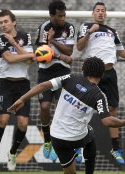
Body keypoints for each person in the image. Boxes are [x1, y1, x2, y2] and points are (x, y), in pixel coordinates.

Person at [7, 57, 125, 174]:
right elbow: (107, 121)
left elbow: (43, 86)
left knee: (70, 173)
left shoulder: (71, 78)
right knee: (90, 134)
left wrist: (22, 99)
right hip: (76, 138)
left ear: (84, 70)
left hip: (56, 136)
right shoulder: (99, 95)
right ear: (102, 75)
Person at [76, 1, 125, 165]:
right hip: (92, 73)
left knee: (112, 110)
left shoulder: (111, 31)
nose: (100, 13)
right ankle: (77, 146)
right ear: (93, 14)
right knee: (83, 108)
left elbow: (121, 51)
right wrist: (89, 33)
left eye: (103, 11)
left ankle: (116, 149)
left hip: (109, 74)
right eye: (97, 10)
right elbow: (79, 47)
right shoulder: (86, 26)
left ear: (105, 14)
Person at [0, 9, 35, 173]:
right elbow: (9, 58)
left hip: (23, 85)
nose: (3, 25)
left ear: (14, 22)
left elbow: (31, 61)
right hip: (5, 84)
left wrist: (15, 44)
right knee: (2, 120)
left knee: (23, 124)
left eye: (6, 21)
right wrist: (26, 55)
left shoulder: (25, 36)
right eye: (1, 22)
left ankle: (13, 153)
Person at [35, 0, 76, 161]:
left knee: (63, 108)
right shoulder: (43, 28)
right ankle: (47, 140)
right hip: (45, 72)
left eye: (64, 14)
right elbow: (40, 54)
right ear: (52, 16)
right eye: (60, 16)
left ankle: (67, 144)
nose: (63, 18)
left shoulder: (69, 28)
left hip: (63, 71)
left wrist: (53, 41)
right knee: (45, 106)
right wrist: (51, 50)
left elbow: (70, 51)